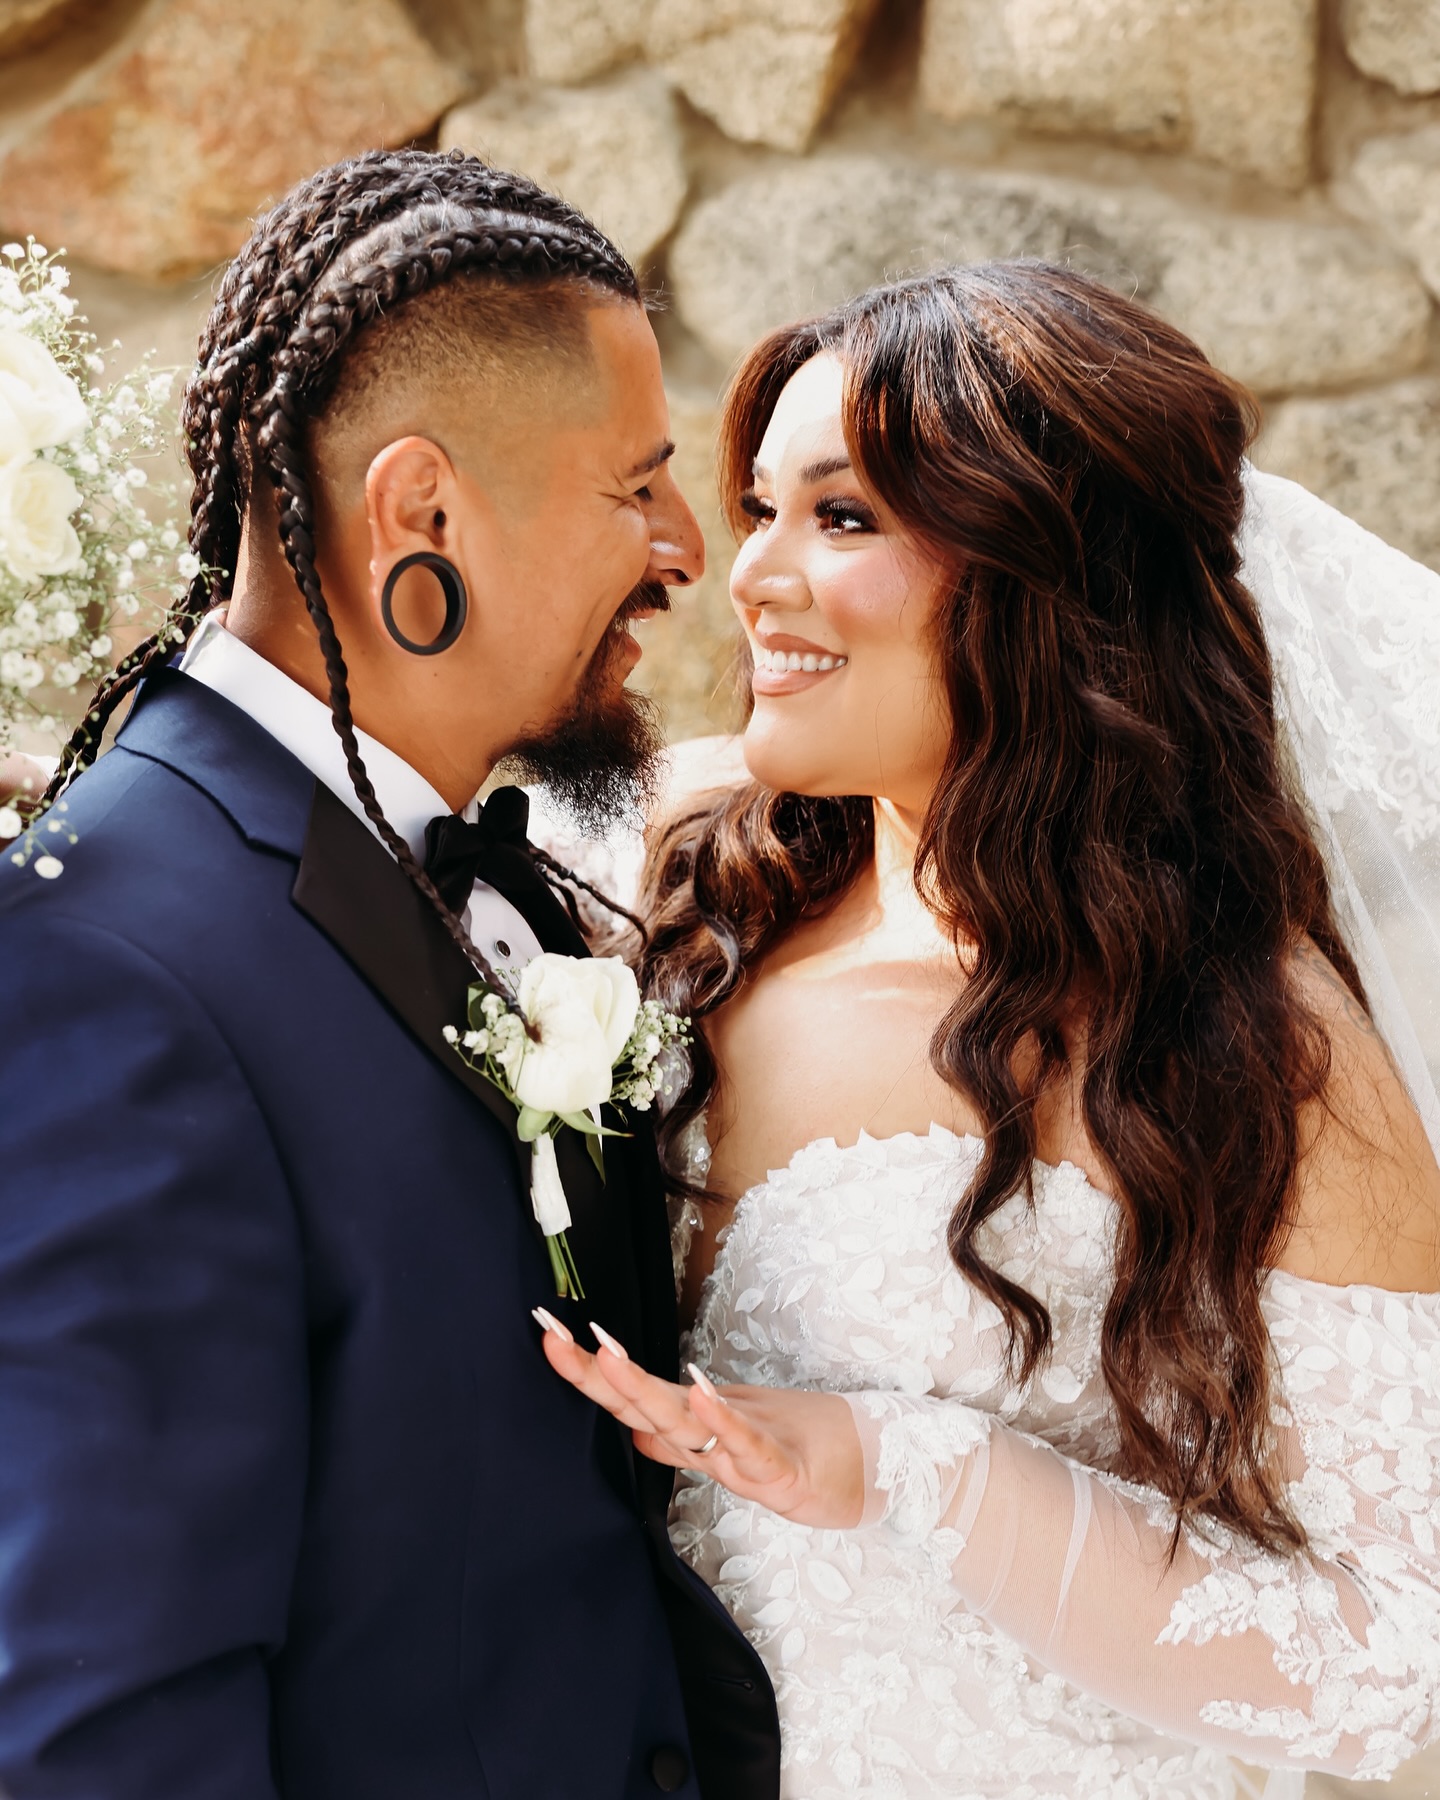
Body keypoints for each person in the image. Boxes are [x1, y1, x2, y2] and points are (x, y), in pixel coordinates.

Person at [539, 263, 1440, 1798]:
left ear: (1054, 580)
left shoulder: (1248, 1044)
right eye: (759, 507)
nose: (750, 574)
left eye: (842, 517)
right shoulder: (667, 877)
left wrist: (912, 1468)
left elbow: (1388, 1668)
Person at [0, 150, 779, 1798]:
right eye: (634, 484)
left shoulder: (490, 884)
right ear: (421, 513)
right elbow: (106, 1716)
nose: (685, 545)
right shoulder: (97, 963)